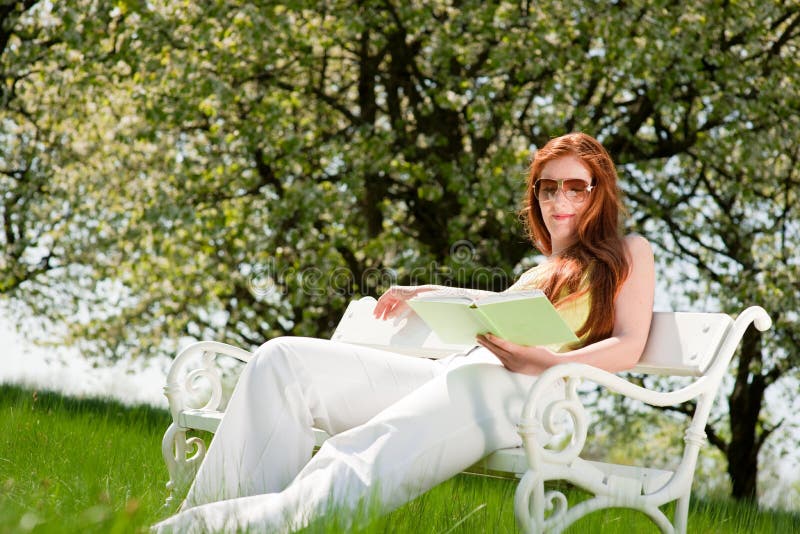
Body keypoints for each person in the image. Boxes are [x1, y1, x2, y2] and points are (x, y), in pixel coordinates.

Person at [152, 132, 655, 533]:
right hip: (472, 371)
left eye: (575, 186)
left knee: (361, 452)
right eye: (547, 187)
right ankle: (201, 519)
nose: (558, 198)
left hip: (532, 396)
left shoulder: (629, 251)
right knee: (282, 361)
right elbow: (496, 312)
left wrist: (541, 363)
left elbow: (629, 346)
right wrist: (431, 293)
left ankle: (227, 530)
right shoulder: (542, 268)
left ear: (599, 192)